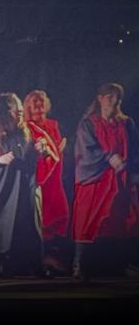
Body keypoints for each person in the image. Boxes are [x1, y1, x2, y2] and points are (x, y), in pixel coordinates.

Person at [0, 92, 44, 281]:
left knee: (26, 225)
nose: (20, 112)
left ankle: (28, 265)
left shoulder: (24, 132)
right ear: (5, 111)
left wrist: (37, 152)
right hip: (0, 188)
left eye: (21, 109)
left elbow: (29, 162)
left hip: (21, 186)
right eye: (15, 108)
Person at [71, 83, 139, 279]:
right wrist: (109, 157)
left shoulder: (126, 123)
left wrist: (127, 163)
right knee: (88, 221)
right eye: (109, 96)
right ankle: (80, 265)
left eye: (117, 97)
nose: (113, 100)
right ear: (100, 98)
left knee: (119, 222)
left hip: (119, 179)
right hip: (95, 179)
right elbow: (86, 150)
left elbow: (134, 149)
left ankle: (118, 265)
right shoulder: (88, 123)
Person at [24, 90, 69, 273]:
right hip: (39, 179)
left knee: (59, 214)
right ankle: (42, 260)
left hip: (55, 179)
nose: (38, 105)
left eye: (41, 102)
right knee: (41, 219)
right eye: (34, 102)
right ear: (27, 106)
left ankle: (53, 257)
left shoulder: (54, 125)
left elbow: (58, 151)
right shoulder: (27, 127)